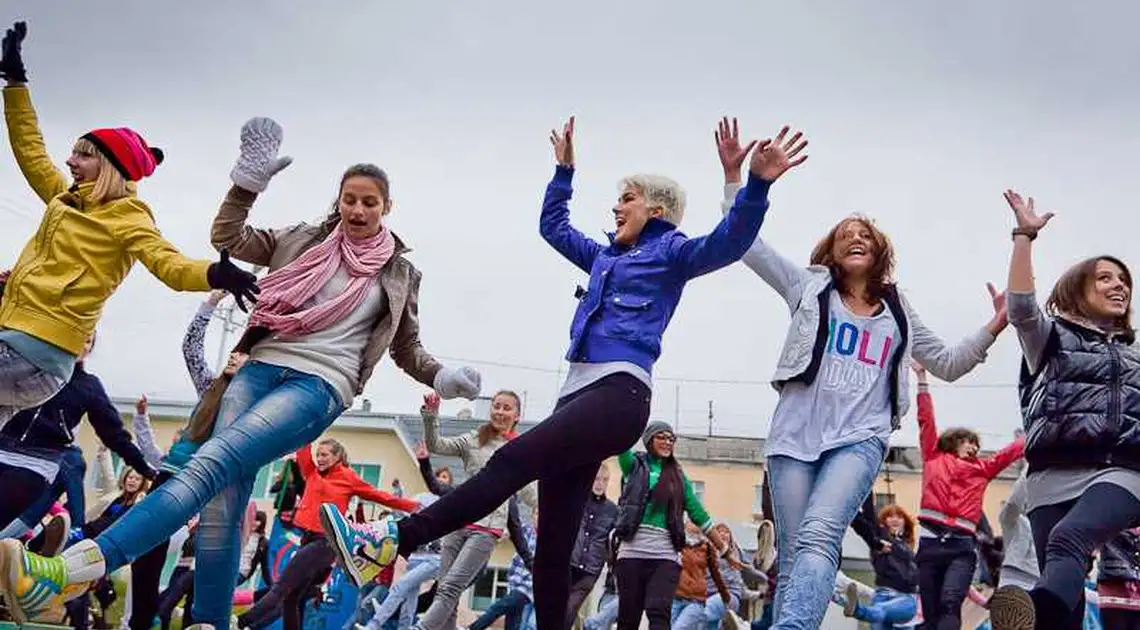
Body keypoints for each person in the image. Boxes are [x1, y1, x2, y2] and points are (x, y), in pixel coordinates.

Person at [321, 115, 804, 630]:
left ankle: (394, 539)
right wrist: (564, 171)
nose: (616, 207)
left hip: (618, 393)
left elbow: (729, 242)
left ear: (656, 210)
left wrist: (753, 184)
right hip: (576, 396)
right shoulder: (603, 258)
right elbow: (552, 227)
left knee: (508, 461)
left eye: (628, 199)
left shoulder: (672, 253)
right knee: (553, 545)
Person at [0, 117, 479, 628]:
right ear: (338, 201)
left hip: (319, 385)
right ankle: (209, 619)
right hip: (258, 368)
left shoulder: (399, 273)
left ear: (387, 208)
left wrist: (441, 377)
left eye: (370, 202)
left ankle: (71, 570)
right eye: (350, 199)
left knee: (211, 463)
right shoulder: (302, 239)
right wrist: (246, 185)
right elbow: (227, 236)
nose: (358, 209)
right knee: (222, 501)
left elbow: (407, 348)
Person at [713, 117, 1005, 630]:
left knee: (822, 535)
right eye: (845, 234)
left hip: (859, 438)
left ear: (878, 249)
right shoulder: (807, 286)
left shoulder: (898, 310)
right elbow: (746, 246)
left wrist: (995, 325)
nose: (855, 238)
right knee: (797, 548)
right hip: (794, 438)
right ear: (831, 248)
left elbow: (950, 363)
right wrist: (742, 182)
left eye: (864, 234)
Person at [0, 21, 258, 428]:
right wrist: (15, 82)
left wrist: (215, 272)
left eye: (82, 156)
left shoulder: (129, 218)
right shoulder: (65, 199)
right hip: (24, 349)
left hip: (33, 350)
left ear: (109, 167)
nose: (70, 162)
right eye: (71, 154)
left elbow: (168, 264)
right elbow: (30, 150)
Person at [986, 190, 1140, 630]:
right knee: (1067, 603)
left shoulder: (1136, 355)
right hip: (1051, 476)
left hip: (1121, 470)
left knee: (1068, 539)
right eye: (1105, 278)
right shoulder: (1050, 340)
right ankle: (1049, 617)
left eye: (1123, 280)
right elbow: (1019, 307)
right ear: (1077, 289)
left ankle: (1032, 615)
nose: (1119, 286)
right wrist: (1023, 236)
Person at [237, 439, 417, 630]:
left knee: (281, 587)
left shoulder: (348, 477)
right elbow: (303, 448)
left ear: (337, 456)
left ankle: (241, 622)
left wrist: (414, 506)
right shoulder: (311, 472)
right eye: (318, 455)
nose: (320, 459)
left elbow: (380, 496)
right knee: (292, 599)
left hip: (326, 542)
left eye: (325, 455)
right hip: (306, 539)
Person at [0, 332, 156, 532]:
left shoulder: (88, 386)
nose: (81, 344)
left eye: (88, 341)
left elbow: (114, 434)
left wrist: (145, 469)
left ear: (89, 349)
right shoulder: (33, 368)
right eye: (78, 336)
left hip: (36, 462)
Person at [911, 361, 1024, 630]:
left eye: (976, 444)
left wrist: (1032, 430)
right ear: (954, 442)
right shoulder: (932, 456)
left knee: (951, 601)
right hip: (929, 544)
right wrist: (922, 379)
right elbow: (925, 419)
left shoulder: (982, 470)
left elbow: (1010, 452)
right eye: (967, 442)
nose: (973, 447)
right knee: (931, 614)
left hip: (960, 547)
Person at [613, 422, 724, 630]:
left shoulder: (679, 477)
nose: (667, 442)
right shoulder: (634, 466)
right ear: (648, 440)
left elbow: (699, 514)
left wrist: (724, 549)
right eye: (661, 437)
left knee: (659, 612)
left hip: (664, 556)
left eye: (671, 439)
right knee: (628, 618)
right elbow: (621, 444)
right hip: (631, 554)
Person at [842, 500, 919, 629]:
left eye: (899, 517)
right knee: (879, 611)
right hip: (882, 594)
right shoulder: (880, 538)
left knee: (880, 610)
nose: (895, 519)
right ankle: (859, 609)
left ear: (905, 523)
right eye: (890, 516)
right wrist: (868, 482)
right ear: (883, 522)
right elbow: (868, 514)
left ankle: (858, 610)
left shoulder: (909, 548)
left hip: (905, 598)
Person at [566, 463, 619, 630]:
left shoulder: (612, 510)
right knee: (561, 609)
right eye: (596, 479)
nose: (600, 483)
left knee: (571, 608)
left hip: (590, 569)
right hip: (569, 563)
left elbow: (613, 542)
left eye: (604, 480)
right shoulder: (577, 500)